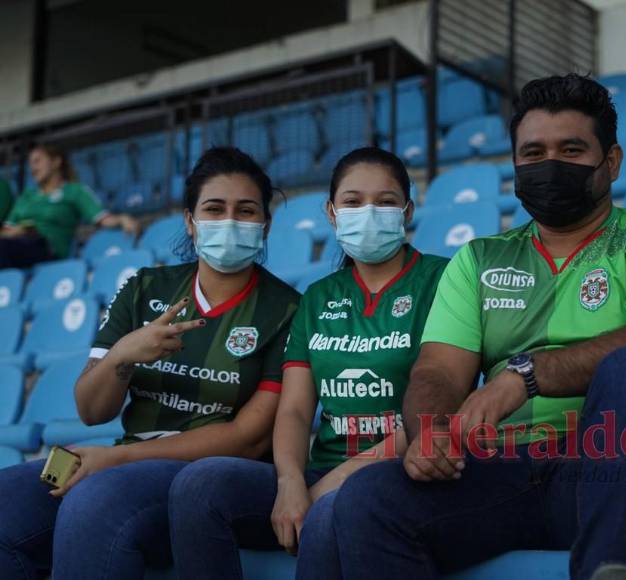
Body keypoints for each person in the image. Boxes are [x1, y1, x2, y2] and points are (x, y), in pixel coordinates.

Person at [331, 74, 626, 580]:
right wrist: (430, 434)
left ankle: (613, 568)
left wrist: (524, 375)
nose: (550, 164)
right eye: (533, 153)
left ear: (612, 162)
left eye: (571, 150)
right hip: (508, 477)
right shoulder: (478, 259)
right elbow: (438, 372)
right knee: (368, 498)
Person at [0, 146, 300, 580]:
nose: (230, 222)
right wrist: (123, 354)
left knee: (94, 505)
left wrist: (118, 460)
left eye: (246, 211)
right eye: (214, 209)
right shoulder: (144, 287)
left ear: (266, 225)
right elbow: (91, 410)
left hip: (204, 478)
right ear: (190, 221)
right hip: (125, 460)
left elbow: (247, 440)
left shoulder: (287, 310)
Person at [167, 147, 449, 580]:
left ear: (407, 212)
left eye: (385, 202)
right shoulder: (317, 297)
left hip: (400, 470)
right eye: (353, 201)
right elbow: (296, 410)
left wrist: (326, 487)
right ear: (331, 213)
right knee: (200, 485)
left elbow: (442, 405)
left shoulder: (443, 280)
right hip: (322, 468)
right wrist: (290, 483)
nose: (368, 213)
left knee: (331, 513)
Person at [0, 143, 140, 268]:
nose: (33, 168)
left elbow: (102, 218)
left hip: (48, 251)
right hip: (16, 247)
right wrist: (18, 232)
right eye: (30, 163)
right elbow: (5, 231)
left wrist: (122, 218)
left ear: (56, 162)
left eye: (37, 161)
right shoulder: (26, 197)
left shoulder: (74, 191)